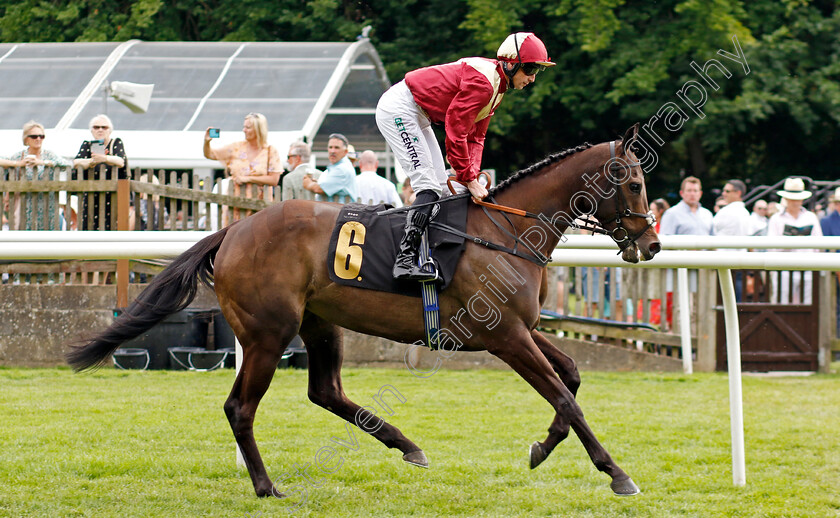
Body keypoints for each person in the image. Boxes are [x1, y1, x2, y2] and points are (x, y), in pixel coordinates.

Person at [376, 32, 554, 280]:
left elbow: (476, 138)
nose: (533, 78)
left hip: (418, 114)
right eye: (531, 69)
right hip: (400, 109)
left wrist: (472, 177)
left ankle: (434, 252)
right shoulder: (484, 84)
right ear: (511, 64)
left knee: (445, 188)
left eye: (538, 71)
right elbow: (456, 132)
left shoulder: (498, 88)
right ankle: (404, 261)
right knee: (428, 187)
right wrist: (468, 178)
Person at [203, 112, 282, 225]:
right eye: (244, 126)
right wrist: (206, 142)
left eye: (248, 127)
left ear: (258, 129)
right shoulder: (236, 148)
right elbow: (210, 154)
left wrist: (248, 178)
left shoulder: (270, 151)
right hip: (235, 205)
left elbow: (274, 180)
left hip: (261, 206)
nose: (244, 130)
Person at [1, 120, 71, 230]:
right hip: (25, 205)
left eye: (41, 136)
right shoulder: (19, 155)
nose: (38, 139)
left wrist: (44, 162)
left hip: (48, 205)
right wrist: (18, 163)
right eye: (34, 136)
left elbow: (67, 165)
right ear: (26, 139)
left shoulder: (49, 154)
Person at [767, 177, 823, 304]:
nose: (795, 202)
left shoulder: (811, 217)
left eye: (798, 199)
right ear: (786, 199)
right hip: (783, 268)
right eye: (792, 198)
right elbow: (771, 246)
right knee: (782, 304)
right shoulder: (776, 219)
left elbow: (818, 244)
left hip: (807, 268)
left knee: (809, 305)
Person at [73, 114, 127, 230]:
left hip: (113, 193)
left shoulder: (116, 143)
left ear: (110, 130)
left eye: (104, 127)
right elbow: (76, 162)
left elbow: (121, 161)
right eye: (96, 127)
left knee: (112, 227)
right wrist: (92, 161)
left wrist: (105, 158)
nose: (100, 130)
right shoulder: (87, 145)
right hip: (92, 194)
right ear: (91, 130)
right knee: (90, 226)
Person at [712, 180, 752, 300]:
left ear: (738, 193)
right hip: (741, 261)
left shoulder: (725, 212)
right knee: (737, 296)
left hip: (723, 261)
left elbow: (711, 233)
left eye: (727, 191)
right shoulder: (746, 213)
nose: (724, 193)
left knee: (724, 298)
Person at [302, 133, 357, 202]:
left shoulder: (342, 169)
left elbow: (319, 189)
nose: (332, 151)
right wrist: (317, 183)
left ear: (345, 152)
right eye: (330, 147)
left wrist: (308, 184)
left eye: (336, 148)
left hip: (338, 212)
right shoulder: (338, 167)